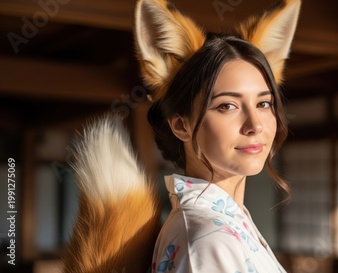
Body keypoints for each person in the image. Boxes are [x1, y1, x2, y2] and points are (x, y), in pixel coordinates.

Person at [62, 0, 301, 272]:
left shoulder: (219, 226)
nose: (255, 125)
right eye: (227, 106)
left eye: (264, 103)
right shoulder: (207, 242)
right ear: (180, 125)